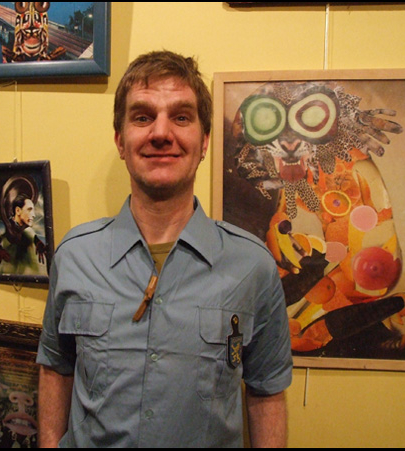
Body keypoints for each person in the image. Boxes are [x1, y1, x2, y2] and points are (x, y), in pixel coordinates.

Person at [36, 50, 293, 448]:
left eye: (181, 117)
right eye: (142, 117)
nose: (160, 133)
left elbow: (267, 393)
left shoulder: (253, 266)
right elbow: (56, 368)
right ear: (121, 141)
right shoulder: (74, 256)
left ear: (204, 142)